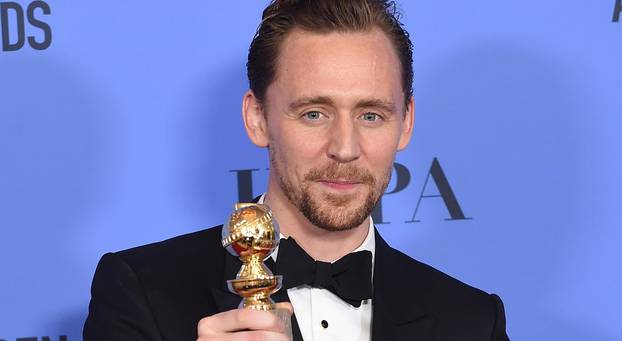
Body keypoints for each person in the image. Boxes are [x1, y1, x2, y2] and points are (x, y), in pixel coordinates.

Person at [83, 0, 510, 340]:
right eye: (313, 114)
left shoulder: (471, 320)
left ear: (406, 123)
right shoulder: (142, 292)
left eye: (371, 115)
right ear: (258, 118)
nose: (344, 149)